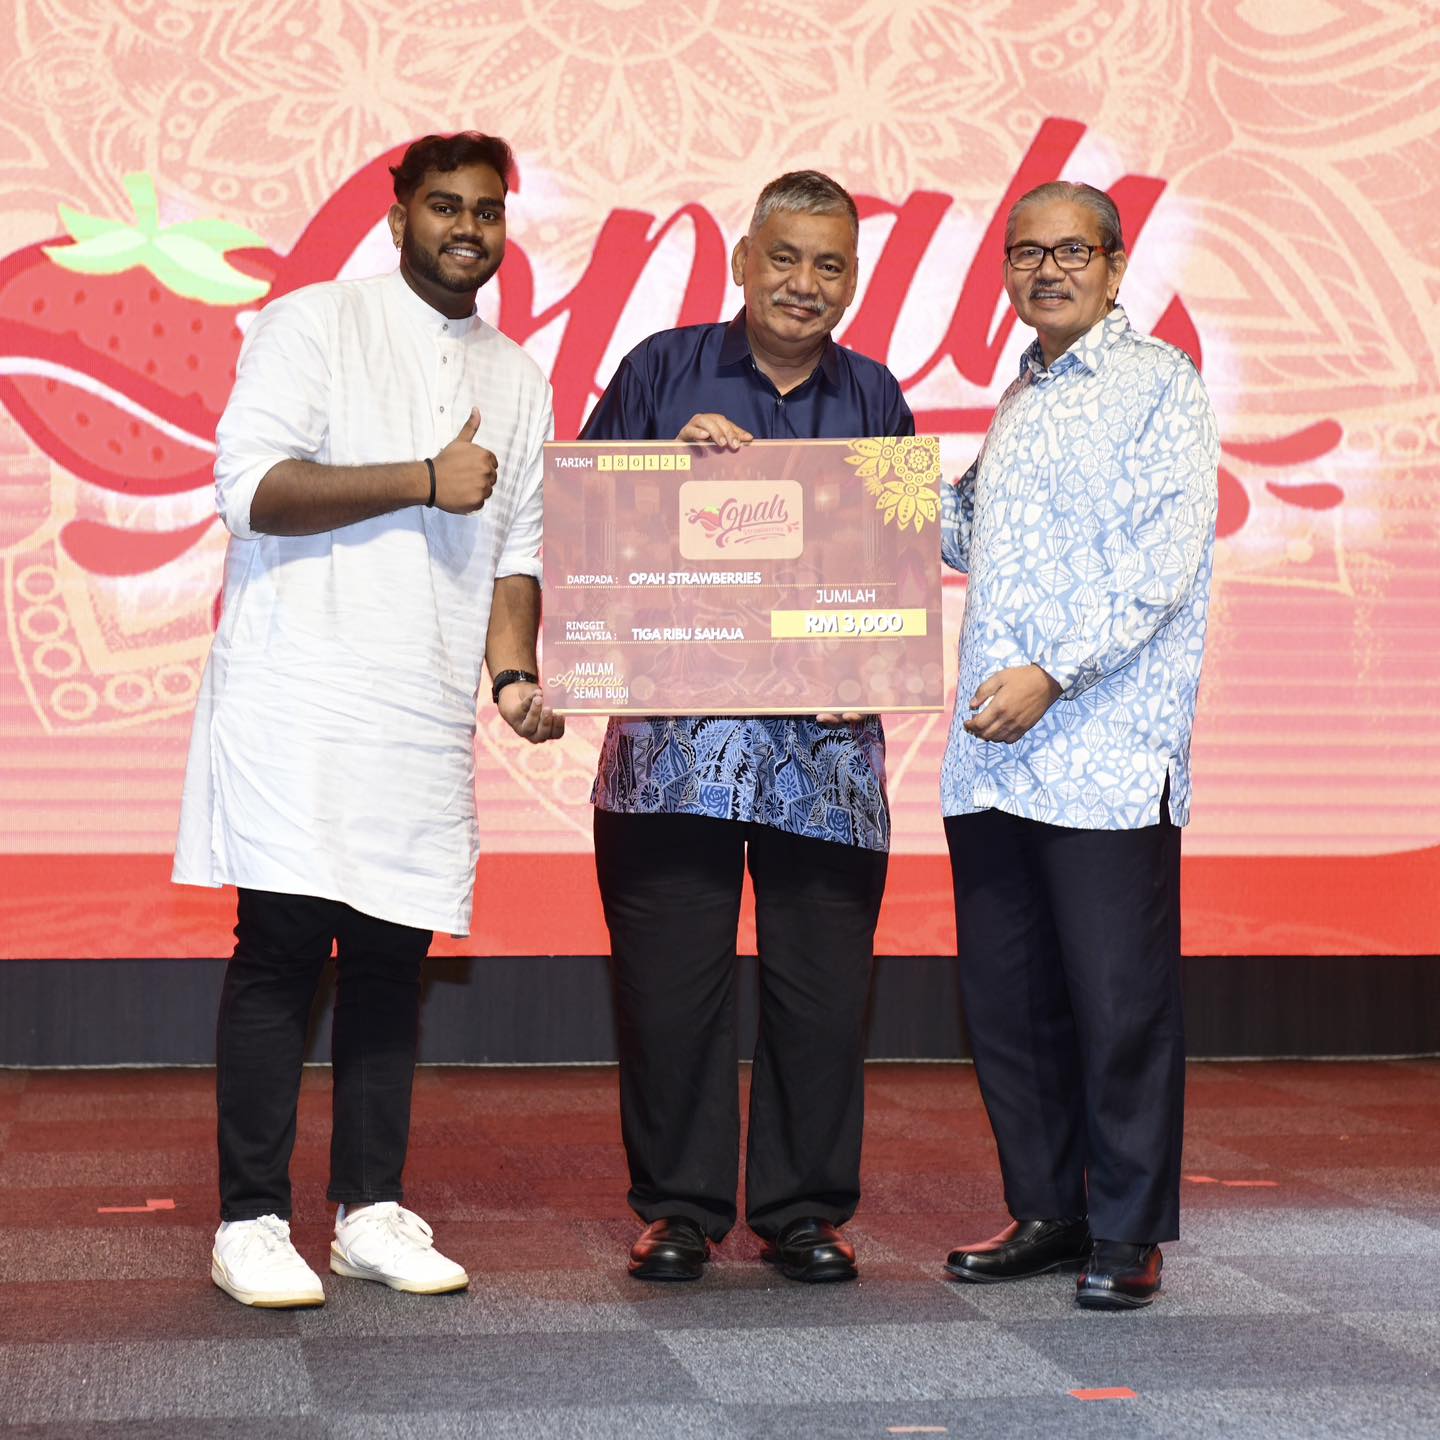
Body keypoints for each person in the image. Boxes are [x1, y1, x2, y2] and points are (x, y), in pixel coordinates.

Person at [174, 131, 563, 1308]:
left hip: (422, 711)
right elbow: (250, 490)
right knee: (282, 952)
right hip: (298, 698)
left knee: (393, 959)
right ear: (397, 218)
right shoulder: (313, 323)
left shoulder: (518, 375)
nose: (466, 228)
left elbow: (517, 553)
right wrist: (419, 478)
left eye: (486, 210)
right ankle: (250, 1221)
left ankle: (369, 1213)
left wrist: (511, 679)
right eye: (444, 205)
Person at [579, 170, 913, 1284]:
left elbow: (898, 573)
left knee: (820, 998)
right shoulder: (659, 372)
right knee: (670, 993)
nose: (804, 283)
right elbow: (582, 534)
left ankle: (802, 1211)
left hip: (825, 759)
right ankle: (678, 1208)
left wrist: (872, 660)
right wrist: (666, 482)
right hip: (673, 755)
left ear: (851, 281)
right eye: (785, 257)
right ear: (741, 261)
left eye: (829, 265)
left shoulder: (877, 396)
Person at [939, 181, 1218, 1309]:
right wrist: (803, 475)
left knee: (1118, 1004)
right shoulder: (1021, 394)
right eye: (1026, 253)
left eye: (1071, 251)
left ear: (1114, 266)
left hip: (1103, 750)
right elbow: (957, 527)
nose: (1046, 270)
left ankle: (1128, 1230)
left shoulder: (1162, 385)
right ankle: (1050, 1211)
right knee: (1010, 1006)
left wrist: (1053, 673)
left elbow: (1162, 564)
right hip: (994, 754)